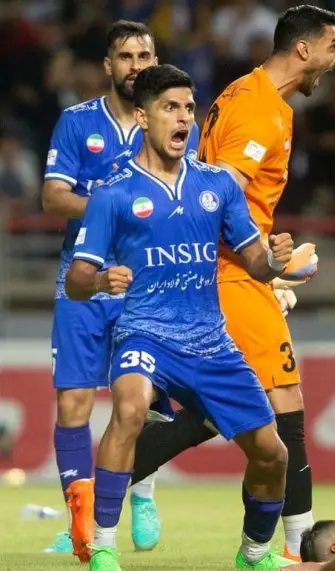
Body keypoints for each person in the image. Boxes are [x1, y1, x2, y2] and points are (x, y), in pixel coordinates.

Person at [126, 4, 335, 562]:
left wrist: (267, 269)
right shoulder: (259, 111)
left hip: (237, 270)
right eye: (332, 46)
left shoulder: (248, 95)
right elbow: (215, 194)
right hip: (229, 272)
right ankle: (298, 549)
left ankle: (109, 471)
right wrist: (267, 266)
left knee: (225, 410)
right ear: (304, 49)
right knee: (282, 401)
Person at [65, 64, 295, 571]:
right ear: (143, 117)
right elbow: (76, 281)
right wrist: (102, 282)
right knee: (130, 408)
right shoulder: (113, 193)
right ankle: (102, 544)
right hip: (144, 333)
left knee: (273, 454)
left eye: (189, 108)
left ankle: (254, 554)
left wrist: (275, 261)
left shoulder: (217, 185)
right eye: (170, 107)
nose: (184, 118)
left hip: (211, 342)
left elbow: (255, 262)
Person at [40, 19, 200, 556]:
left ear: (156, 62)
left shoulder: (173, 121)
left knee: (144, 401)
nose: (136, 66)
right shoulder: (76, 122)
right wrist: (116, 207)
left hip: (149, 283)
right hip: (83, 277)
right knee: (74, 402)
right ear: (109, 66)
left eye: (144, 56)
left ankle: (143, 492)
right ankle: (80, 524)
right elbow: (53, 197)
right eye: (126, 57)